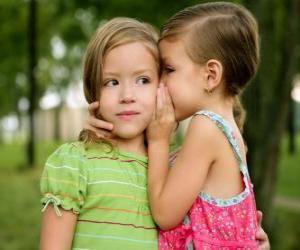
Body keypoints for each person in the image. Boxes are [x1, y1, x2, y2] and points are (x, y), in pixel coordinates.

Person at [84, 2, 270, 250]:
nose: (161, 82)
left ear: (211, 75)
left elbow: (164, 213)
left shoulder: (206, 128)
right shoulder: (227, 130)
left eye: (169, 69)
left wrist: (160, 140)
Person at [39, 17, 160, 250]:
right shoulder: (75, 162)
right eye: (111, 82)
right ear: (93, 89)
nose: (127, 95)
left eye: (143, 80)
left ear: (162, 86)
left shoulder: (172, 168)